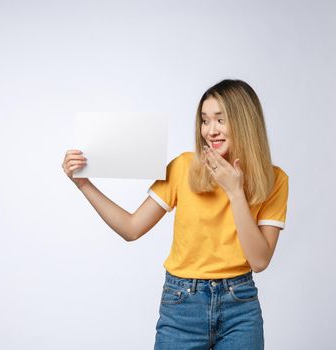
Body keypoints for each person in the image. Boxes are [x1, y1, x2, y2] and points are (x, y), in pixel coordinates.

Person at [61, 79, 289, 349]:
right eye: (205, 121)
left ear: (244, 121)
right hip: (182, 304)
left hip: (240, 307)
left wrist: (235, 193)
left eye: (220, 120)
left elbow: (259, 261)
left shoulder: (274, 179)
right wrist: (83, 184)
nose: (210, 131)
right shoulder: (183, 167)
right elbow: (131, 228)